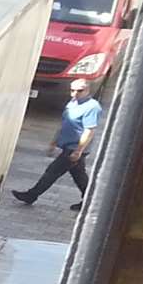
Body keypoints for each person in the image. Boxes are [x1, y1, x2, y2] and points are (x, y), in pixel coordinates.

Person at [12, 77, 103, 211]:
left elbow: (89, 131)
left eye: (79, 91)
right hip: (68, 145)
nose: (75, 94)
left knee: (52, 172)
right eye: (72, 90)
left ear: (88, 90)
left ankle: (32, 195)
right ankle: (91, 200)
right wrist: (54, 142)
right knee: (79, 176)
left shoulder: (92, 107)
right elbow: (65, 124)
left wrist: (78, 150)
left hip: (74, 148)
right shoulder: (73, 102)